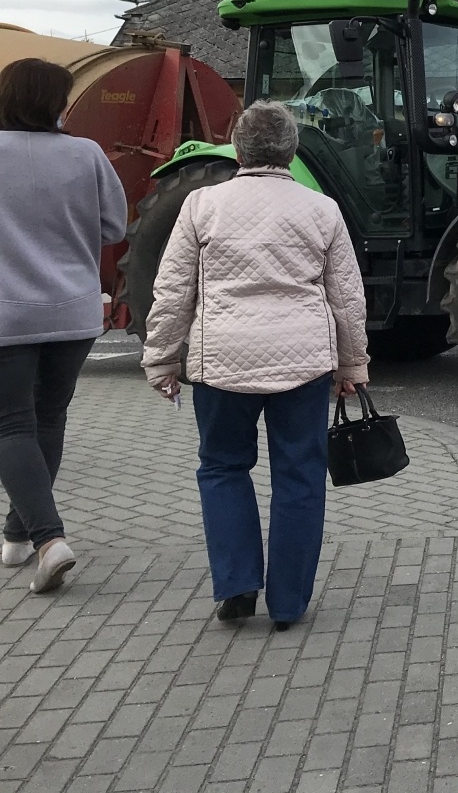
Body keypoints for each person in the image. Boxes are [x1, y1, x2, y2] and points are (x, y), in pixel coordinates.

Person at [142, 101, 369, 630]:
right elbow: (347, 298)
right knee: (300, 477)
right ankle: (288, 605)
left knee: (222, 468)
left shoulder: (202, 205)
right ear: (291, 150)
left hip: (222, 363)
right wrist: (352, 364)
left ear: (238, 148)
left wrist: (161, 358)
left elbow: (174, 290)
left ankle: (238, 586)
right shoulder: (322, 209)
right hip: (304, 364)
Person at [0, 58, 127, 594]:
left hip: (8, 311)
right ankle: (18, 532)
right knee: (48, 417)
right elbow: (114, 225)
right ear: (57, 102)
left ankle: (50, 539)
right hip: (74, 312)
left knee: (11, 424)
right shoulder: (87, 153)